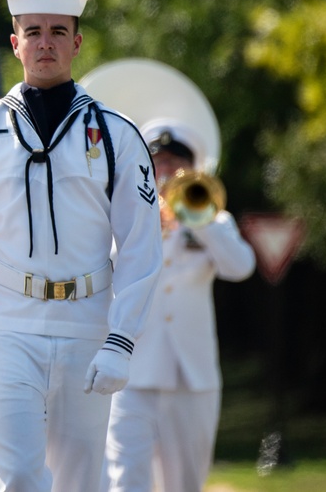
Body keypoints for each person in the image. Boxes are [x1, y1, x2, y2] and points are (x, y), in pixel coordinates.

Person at [0, 0, 163, 492]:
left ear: (77, 43)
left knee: (81, 481)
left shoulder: (117, 134)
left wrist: (122, 341)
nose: (45, 43)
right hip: (8, 326)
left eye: (58, 32)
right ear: (15, 43)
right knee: (19, 479)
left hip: (87, 325)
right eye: (33, 32)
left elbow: (142, 247)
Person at [103, 122, 255, 492]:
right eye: (158, 163)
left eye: (175, 163)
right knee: (126, 481)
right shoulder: (122, 217)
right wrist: (142, 225)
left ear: (192, 169)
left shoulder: (214, 219)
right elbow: (103, 273)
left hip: (192, 378)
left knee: (185, 484)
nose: (166, 171)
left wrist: (196, 218)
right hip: (133, 373)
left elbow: (241, 266)